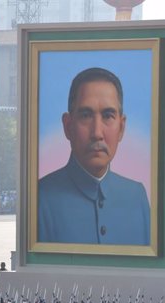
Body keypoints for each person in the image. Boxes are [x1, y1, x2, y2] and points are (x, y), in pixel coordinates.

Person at [38, 67, 150, 245]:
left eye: (108, 116)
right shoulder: (40, 198)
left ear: (121, 128)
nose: (97, 133)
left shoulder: (137, 197)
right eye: (86, 115)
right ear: (68, 126)